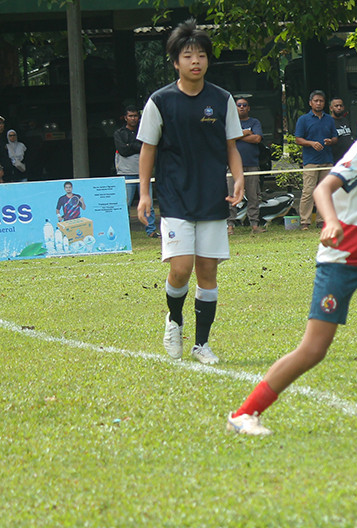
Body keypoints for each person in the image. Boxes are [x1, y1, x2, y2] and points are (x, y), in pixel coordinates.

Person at [226, 64, 357, 436]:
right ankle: (245, 413)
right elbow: (326, 188)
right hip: (341, 261)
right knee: (314, 350)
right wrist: (331, 222)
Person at [137, 19, 244, 366]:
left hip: (212, 195)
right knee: (181, 269)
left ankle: (201, 344)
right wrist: (144, 194)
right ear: (175, 61)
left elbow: (231, 146)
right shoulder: (160, 101)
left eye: (201, 55)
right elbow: (147, 150)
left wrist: (238, 178)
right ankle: (174, 319)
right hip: (175, 196)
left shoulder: (222, 100)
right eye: (188, 55)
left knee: (208, 273)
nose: (195, 61)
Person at [294, 90, 336, 229]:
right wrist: (311, 143)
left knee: (326, 191)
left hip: (327, 160)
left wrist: (330, 141)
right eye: (316, 101)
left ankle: (321, 220)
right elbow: (298, 139)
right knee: (308, 191)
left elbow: (335, 137)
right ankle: (305, 221)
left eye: (321, 101)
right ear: (310, 103)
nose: (318, 103)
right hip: (311, 161)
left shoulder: (329, 119)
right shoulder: (303, 119)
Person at [114, 106, 158, 237]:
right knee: (125, 204)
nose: (133, 118)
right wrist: (136, 146)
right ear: (125, 118)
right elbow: (123, 150)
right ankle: (124, 232)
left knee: (148, 204)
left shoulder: (144, 130)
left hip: (144, 173)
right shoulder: (119, 133)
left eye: (135, 116)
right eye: (130, 116)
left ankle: (151, 231)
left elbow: (150, 148)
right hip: (125, 173)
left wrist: (131, 145)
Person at [227, 97, 264, 234]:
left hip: (252, 164)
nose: (241, 107)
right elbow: (226, 138)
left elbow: (257, 138)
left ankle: (254, 225)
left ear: (248, 108)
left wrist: (236, 136)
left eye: (244, 105)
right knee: (231, 195)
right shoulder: (230, 123)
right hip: (232, 167)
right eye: (239, 105)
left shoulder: (254, 122)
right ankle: (230, 225)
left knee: (253, 196)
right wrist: (245, 133)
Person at [328, 96, 354, 164]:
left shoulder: (346, 121)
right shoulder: (328, 122)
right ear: (331, 108)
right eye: (336, 106)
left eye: (341, 106)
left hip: (348, 159)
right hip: (335, 160)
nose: (339, 108)